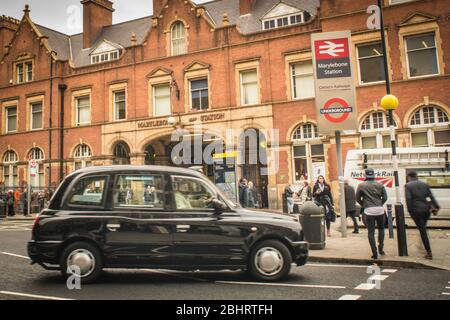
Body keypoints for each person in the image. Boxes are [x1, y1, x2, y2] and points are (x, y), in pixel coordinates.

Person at [405, 171, 440, 260]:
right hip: (426, 210)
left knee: (422, 230)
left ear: (409, 177)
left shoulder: (408, 185)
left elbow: (408, 199)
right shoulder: (424, 184)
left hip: (416, 211)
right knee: (423, 228)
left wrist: (410, 211)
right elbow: (430, 197)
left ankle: (429, 252)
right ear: (416, 176)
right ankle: (422, 245)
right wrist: (436, 207)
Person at [356, 168, 388, 260]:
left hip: (368, 211)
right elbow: (385, 197)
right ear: (373, 175)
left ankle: (374, 253)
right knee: (381, 229)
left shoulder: (361, 185)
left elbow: (357, 198)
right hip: (380, 210)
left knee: (371, 232)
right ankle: (381, 249)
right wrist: (379, 204)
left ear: (365, 175)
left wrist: (364, 205)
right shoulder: (380, 184)